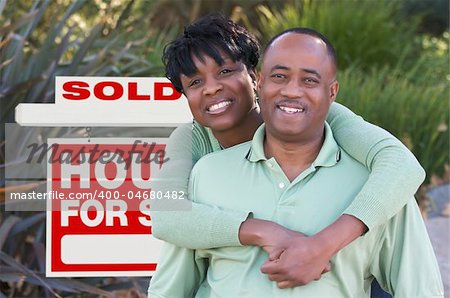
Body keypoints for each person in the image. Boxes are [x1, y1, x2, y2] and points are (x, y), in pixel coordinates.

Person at [148, 27, 443, 298]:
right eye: (196, 82)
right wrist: (265, 231)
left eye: (225, 71)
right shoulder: (196, 149)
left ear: (254, 76)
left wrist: (320, 247)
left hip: (352, 259)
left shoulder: (318, 113)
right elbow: (167, 215)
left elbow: (400, 164)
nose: (212, 88)